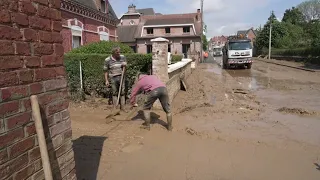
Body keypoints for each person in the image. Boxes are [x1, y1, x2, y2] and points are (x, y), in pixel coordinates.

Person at [104, 47, 128, 112]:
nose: (119, 54)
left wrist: (125, 65)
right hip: (113, 78)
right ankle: (115, 107)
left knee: (122, 92)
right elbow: (105, 70)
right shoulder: (107, 60)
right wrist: (106, 80)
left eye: (119, 52)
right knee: (114, 93)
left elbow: (125, 66)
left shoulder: (122, 57)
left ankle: (123, 107)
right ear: (114, 53)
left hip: (121, 76)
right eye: (117, 53)